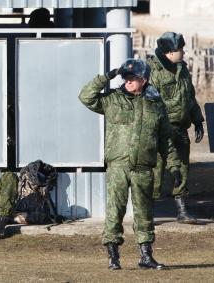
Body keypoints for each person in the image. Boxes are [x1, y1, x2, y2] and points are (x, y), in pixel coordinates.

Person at [79, 59, 181, 270]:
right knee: (115, 211)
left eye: (132, 78)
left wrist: (174, 166)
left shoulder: (155, 104)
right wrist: (107, 76)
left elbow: (165, 139)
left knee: (144, 213)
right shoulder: (112, 100)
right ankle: (113, 256)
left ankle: (146, 256)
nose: (128, 81)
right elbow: (86, 96)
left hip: (143, 168)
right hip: (118, 167)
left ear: (143, 80)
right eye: (125, 78)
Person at [147, 32, 205, 224]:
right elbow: (149, 103)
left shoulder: (183, 69)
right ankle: (148, 212)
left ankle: (182, 210)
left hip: (180, 128)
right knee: (157, 169)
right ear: (169, 52)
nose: (183, 51)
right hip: (160, 130)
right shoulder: (153, 71)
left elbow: (189, 96)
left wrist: (197, 120)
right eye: (180, 49)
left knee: (182, 168)